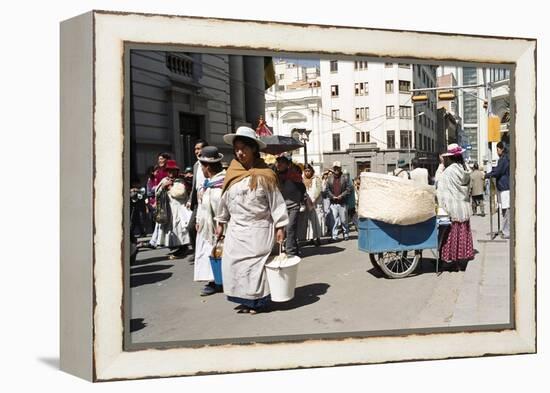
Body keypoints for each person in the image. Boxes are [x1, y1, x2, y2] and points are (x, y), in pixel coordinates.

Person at [215, 126, 288, 314]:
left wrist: (280, 225)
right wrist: (220, 221)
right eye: (237, 148)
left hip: (259, 228)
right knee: (235, 265)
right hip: (236, 230)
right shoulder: (232, 173)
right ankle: (244, 300)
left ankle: (258, 302)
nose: (240, 152)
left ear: (254, 149)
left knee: (255, 266)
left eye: (244, 148)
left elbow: (276, 202)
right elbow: (225, 200)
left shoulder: (265, 175)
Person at [436, 144, 475, 271]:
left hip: (453, 210)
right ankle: (461, 260)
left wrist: (441, 165)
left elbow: (439, 187)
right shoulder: (463, 169)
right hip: (463, 209)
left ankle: (450, 260)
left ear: (449, 157)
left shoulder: (449, 171)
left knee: (451, 236)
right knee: (462, 235)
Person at [194, 146, 226, 296]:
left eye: (202, 166)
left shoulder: (220, 183)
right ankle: (214, 280)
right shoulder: (210, 182)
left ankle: (217, 281)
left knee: (217, 254)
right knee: (210, 253)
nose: (201, 169)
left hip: (218, 228)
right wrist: (199, 219)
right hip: (207, 227)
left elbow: (222, 208)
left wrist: (220, 225)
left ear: (207, 167)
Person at [150, 159, 191, 259]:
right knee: (171, 229)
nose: (171, 173)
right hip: (167, 209)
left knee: (180, 229)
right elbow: (156, 193)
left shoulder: (180, 181)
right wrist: (163, 187)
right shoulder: (164, 180)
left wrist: (170, 188)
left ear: (176, 171)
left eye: (173, 171)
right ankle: (176, 246)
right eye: (169, 171)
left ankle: (183, 248)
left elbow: (181, 194)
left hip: (179, 209)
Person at [276, 154, 306, 256]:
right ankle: (292, 247)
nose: (279, 164)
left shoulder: (294, 175)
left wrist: (300, 200)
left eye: (281, 163)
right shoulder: (274, 175)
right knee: (281, 229)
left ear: (287, 165)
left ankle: (290, 251)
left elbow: (302, 189)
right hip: (280, 207)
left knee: (290, 228)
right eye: (278, 162)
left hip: (293, 206)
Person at [187, 139, 209, 256]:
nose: (197, 151)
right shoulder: (196, 165)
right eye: (195, 149)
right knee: (191, 227)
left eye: (199, 148)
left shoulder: (211, 163)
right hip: (198, 203)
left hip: (209, 200)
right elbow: (194, 185)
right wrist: (191, 199)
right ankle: (197, 252)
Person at [485, 141, 510, 239]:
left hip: (505, 188)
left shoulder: (503, 159)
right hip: (504, 187)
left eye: (497, 149)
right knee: (505, 210)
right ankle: (505, 230)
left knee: (506, 210)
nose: (497, 151)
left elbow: (498, 171)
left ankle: (506, 231)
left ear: (501, 149)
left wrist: (487, 175)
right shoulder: (504, 159)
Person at [324, 161, 351, 241]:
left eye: (338, 168)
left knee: (344, 220)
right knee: (334, 220)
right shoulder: (330, 178)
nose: (336, 170)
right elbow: (327, 189)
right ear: (333, 168)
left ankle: (345, 233)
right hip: (333, 203)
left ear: (340, 168)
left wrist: (341, 196)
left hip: (342, 203)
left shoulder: (345, 177)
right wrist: (332, 196)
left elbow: (349, 189)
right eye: (335, 168)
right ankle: (334, 236)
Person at [302, 164, 322, 247]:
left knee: (316, 221)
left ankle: (317, 238)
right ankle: (310, 238)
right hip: (307, 203)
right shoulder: (303, 180)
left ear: (312, 171)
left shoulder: (316, 179)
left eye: (309, 171)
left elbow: (319, 189)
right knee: (309, 222)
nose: (307, 172)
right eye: (306, 171)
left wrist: (314, 200)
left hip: (315, 203)